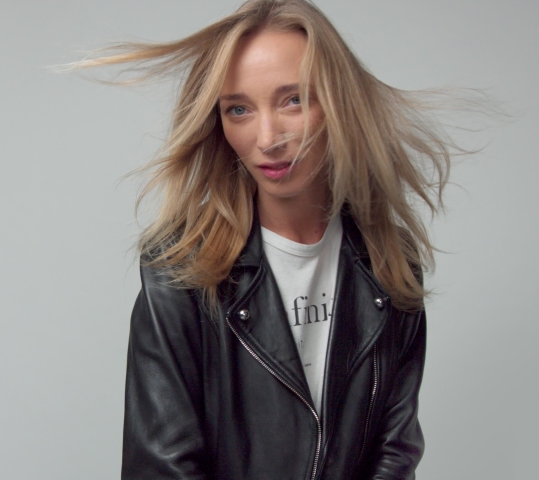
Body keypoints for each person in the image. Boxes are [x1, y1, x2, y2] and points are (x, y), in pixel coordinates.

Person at [74, 0, 457, 478]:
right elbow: (160, 466)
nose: (267, 137)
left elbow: (395, 451)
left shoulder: (390, 261)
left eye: (293, 100)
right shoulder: (181, 271)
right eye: (238, 109)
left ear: (339, 103)